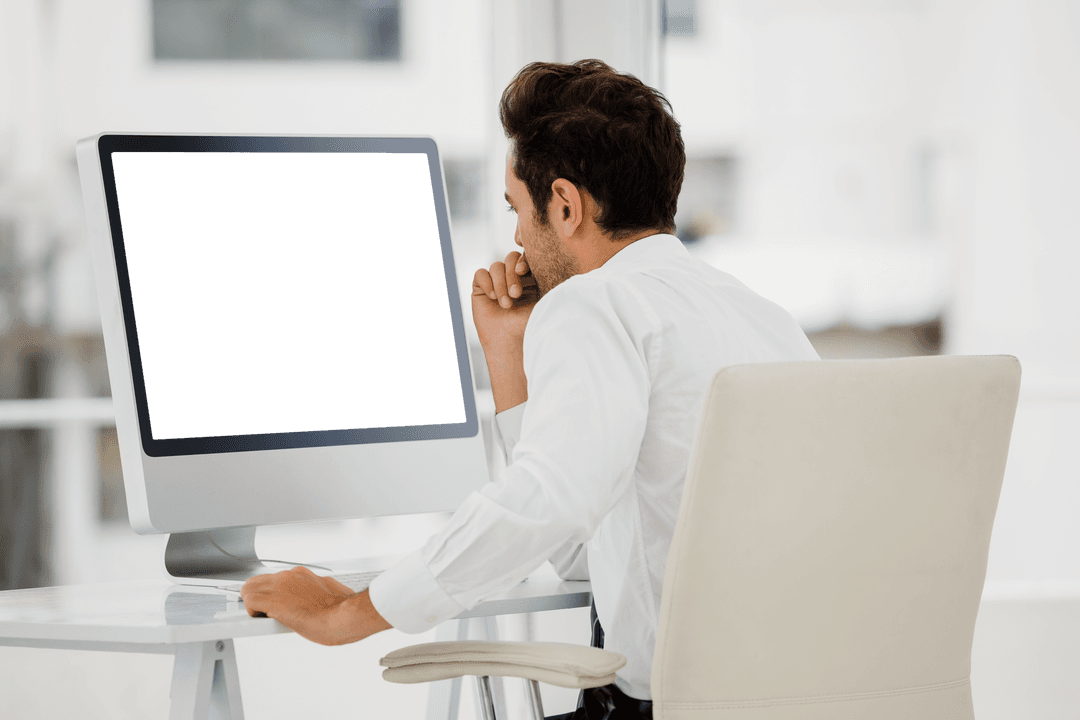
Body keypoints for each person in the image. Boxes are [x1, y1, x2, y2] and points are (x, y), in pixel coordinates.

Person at [241, 59, 820, 719]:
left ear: (566, 205)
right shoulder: (759, 317)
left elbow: (552, 496)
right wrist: (511, 359)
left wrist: (349, 611)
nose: (516, 235)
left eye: (517, 207)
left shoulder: (597, 304)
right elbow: (584, 554)